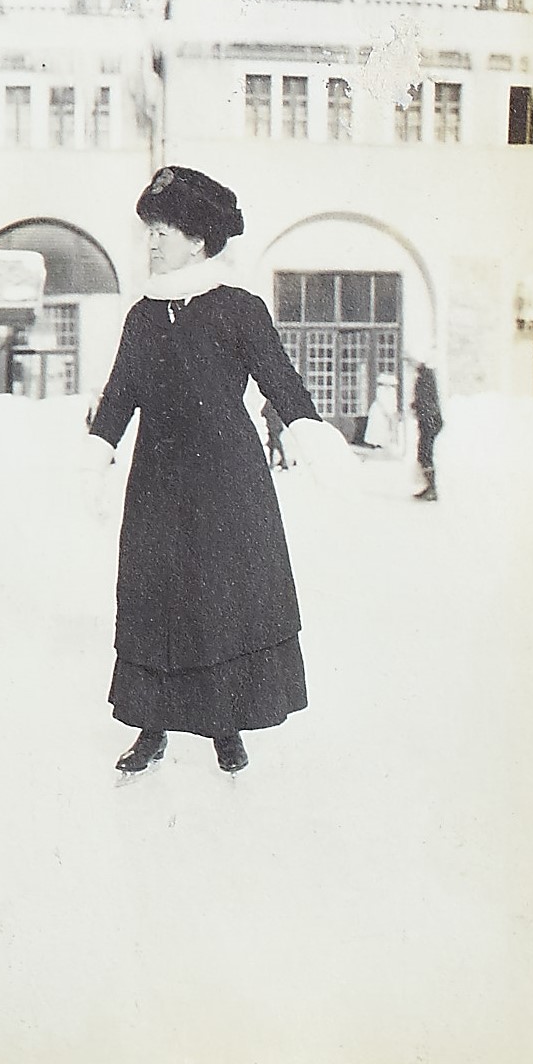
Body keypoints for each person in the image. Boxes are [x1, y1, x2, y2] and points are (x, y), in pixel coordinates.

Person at [82, 165, 339, 776]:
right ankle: (153, 727)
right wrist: (96, 452)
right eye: (150, 230)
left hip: (227, 482)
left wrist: (312, 437)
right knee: (155, 600)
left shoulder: (238, 308)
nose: (151, 242)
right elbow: (121, 395)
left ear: (198, 241)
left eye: (164, 231)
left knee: (221, 601)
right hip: (157, 481)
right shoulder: (142, 316)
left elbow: (281, 382)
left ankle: (227, 726)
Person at [410, 358, 443, 501]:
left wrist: (416, 406)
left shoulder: (424, 378)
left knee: (425, 454)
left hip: (429, 421)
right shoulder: (426, 376)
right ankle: (429, 487)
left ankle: (432, 489)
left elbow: (426, 401)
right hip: (429, 420)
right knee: (424, 454)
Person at [364, 372, 399, 451]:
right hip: (379, 412)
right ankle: (374, 443)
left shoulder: (391, 391)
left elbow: (392, 403)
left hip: (385, 413)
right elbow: (382, 402)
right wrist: (387, 412)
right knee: (377, 427)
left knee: (383, 428)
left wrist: (392, 412)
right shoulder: (381, 390)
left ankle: (381, 443)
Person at [260, 398, 289, 470]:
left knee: (274, 443)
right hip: (277, 426)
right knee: (273, 444)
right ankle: (279, 461)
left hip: (273, 426)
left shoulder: (269, 402)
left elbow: (262, 412)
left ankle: (281, 461)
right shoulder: (277, 402)